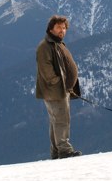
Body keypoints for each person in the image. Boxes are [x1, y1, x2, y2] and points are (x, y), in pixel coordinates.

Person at [35, 14, 82, 159]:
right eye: (58, 27)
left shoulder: (57, 44)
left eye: (64, 28)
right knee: (61, 120)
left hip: (62, 90)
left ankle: (56, 151)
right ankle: (65, 151)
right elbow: (46, 69)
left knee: (56, 120)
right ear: (50, 29)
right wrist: (59, 83)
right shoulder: (45, 46)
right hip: (55, 91)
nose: (62, 30)